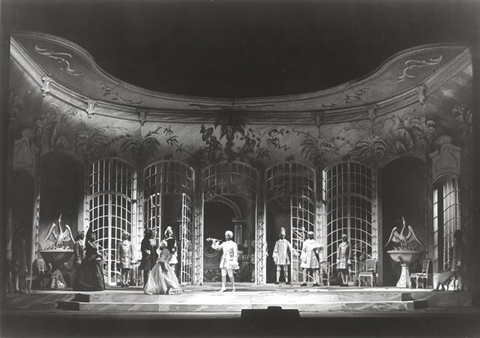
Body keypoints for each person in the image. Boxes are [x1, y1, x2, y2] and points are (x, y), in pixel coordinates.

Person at [12, 227, 28, 293]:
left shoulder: (21, 240)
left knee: (21, 272)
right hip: (19, 259)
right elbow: (18, 251)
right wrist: (18, 259)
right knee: (17, 273)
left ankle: (20, 287)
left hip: (22, 259)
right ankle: (16, 288)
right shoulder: (19, 241)